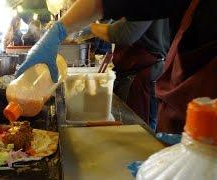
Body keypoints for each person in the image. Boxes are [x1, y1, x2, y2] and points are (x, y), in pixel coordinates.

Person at [16, 0, 217, 134]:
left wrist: (77, 28)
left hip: (154, 76)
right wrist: (60, 29)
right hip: (181, 92)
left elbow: (125, 33)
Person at [85, 18, 170, 130]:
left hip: (142, 74)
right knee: (128, 131)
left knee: (139, 135)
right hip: (132, 71)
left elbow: (125, 33)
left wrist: (89, 27)